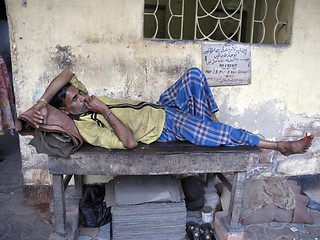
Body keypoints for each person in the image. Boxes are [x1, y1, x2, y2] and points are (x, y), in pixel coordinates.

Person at [31, 68, 313, 156]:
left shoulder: (74, 95)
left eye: (79, 93)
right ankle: (279, 145)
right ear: (65, 110)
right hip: (163, 125)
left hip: (159, 105)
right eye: (75, 99)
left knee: (193, 75)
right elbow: (129, 143)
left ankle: (213, 127)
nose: (82, 97)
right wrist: (104, 110)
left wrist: (42, 101)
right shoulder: (89, 126)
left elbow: (66, 72)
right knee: (205, 130)